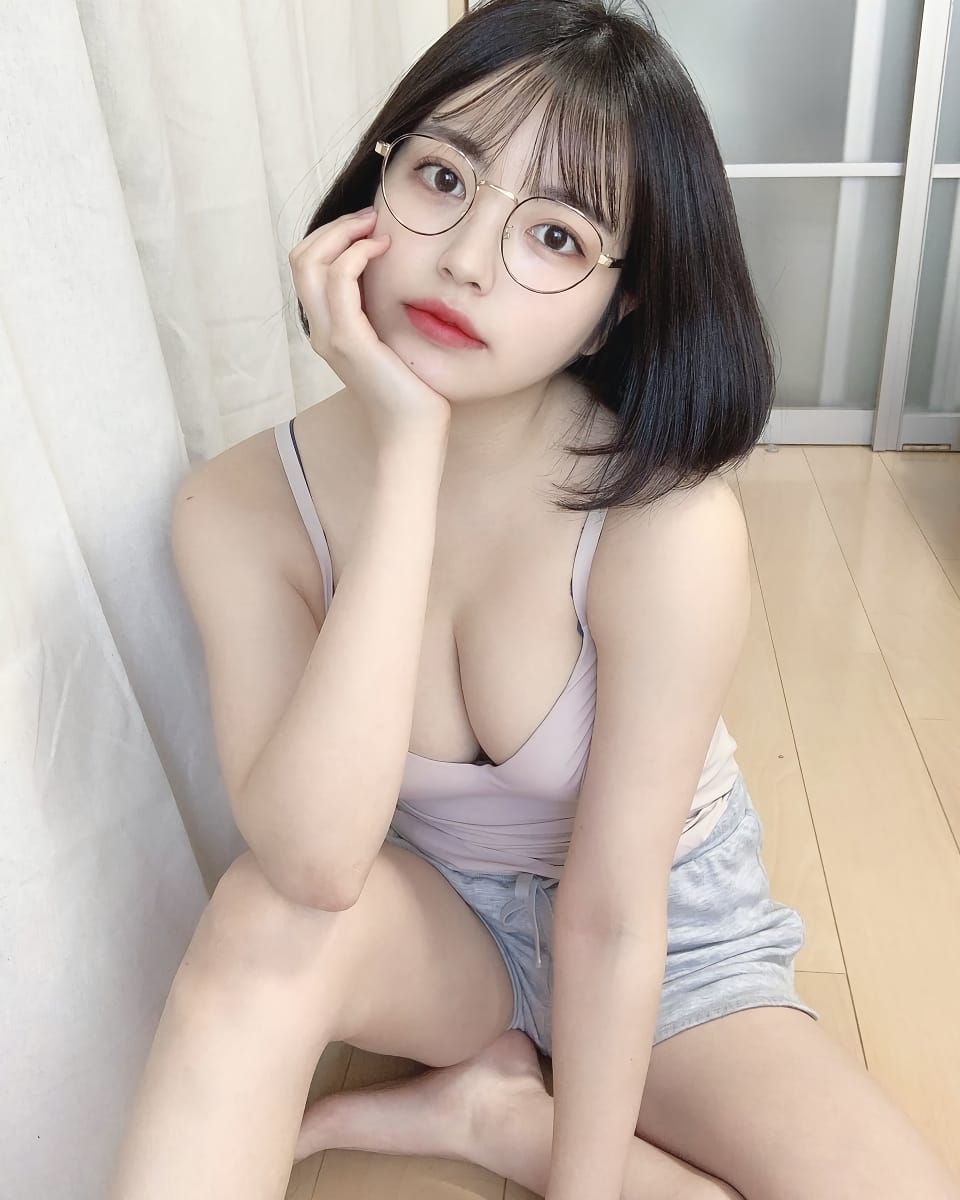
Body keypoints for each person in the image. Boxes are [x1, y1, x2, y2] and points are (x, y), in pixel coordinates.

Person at [110, 2, 960, 1199]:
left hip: (664, 939)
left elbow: (615, 916)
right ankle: (499, 1099)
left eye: (556, 236)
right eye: (442, 178)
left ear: (618, 306)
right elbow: (312, 862)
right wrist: (407, 456)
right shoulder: (238, 510)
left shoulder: (664, 525)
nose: (467, 259)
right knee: (258, 922)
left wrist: (576, 1183)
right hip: (436, 927)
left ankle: (500, 1122)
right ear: (371, 186)